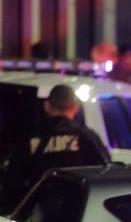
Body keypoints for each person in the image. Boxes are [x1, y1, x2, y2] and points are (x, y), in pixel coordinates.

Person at [0, 84, 110, 212]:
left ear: (47, 106)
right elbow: (106, 173)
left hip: (37, 218)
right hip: (78, 214)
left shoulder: (28, 139)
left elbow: (12, 183)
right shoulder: (87, 137)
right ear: (75, 107)